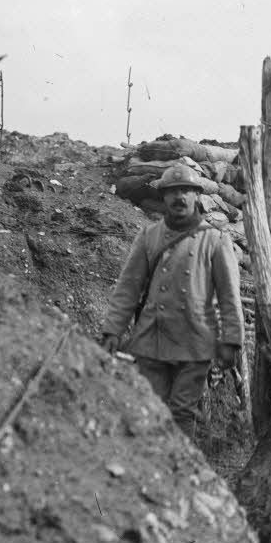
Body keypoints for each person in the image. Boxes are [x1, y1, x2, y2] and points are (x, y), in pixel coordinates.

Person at [100, 163, 244, 439]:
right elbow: (128, 288)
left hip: (195, 342)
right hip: (152, 339)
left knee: (181, 413)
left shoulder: (215, 240)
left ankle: (181, 476)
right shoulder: (149, 236)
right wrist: (112, 330)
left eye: (186, 191)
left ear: (197, 196)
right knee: (148, 408)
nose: (180, 198)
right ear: (164, 197)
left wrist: (231, 339)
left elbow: (229, 296)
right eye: (173, 192)